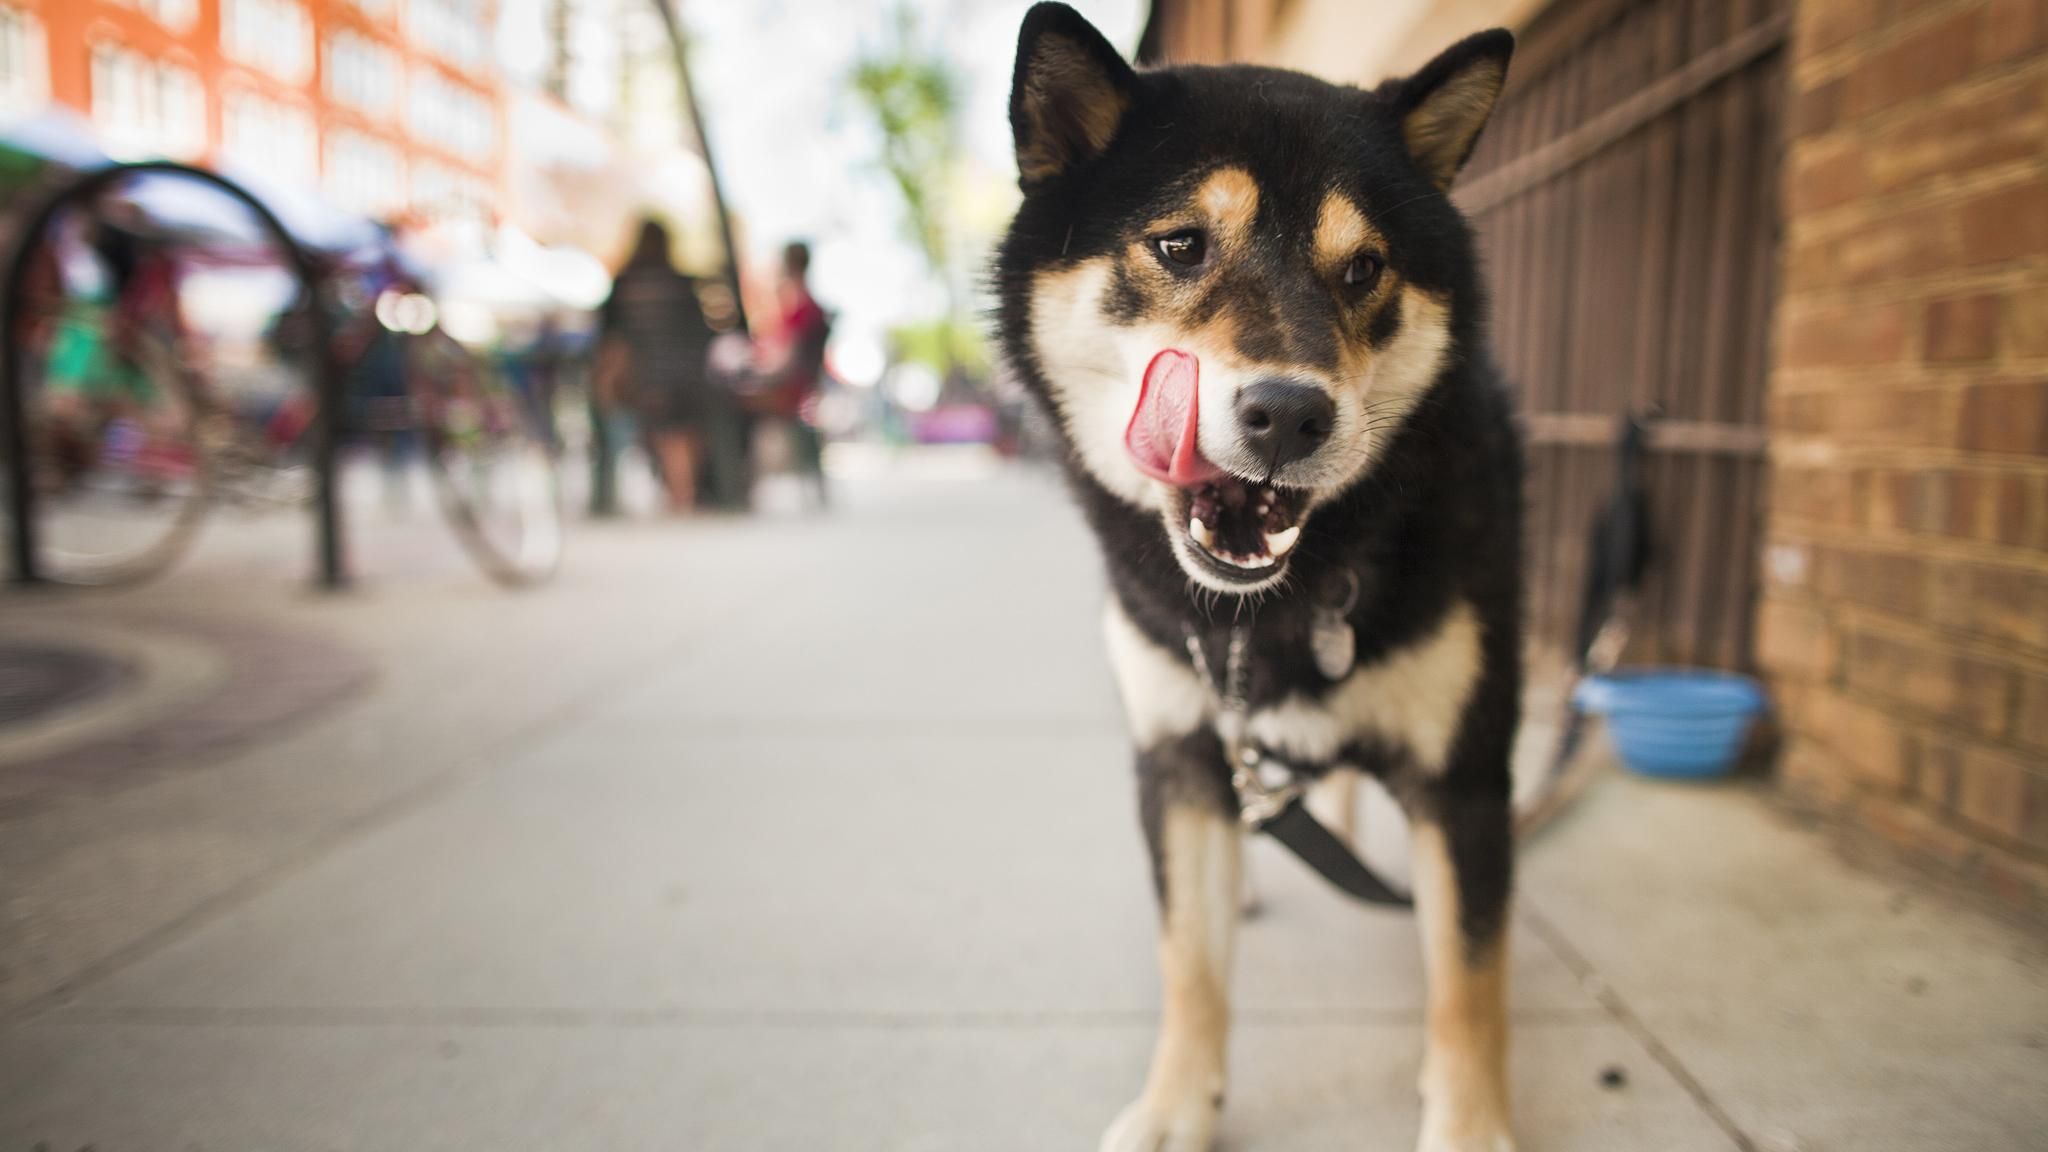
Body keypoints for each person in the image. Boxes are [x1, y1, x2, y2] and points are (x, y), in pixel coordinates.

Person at [593, 218, 714, 514]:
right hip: (686, 374)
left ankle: (679, 493)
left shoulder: (624, 283)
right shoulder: (682, 282)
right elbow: (702, 332)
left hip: (643, 374)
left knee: (664, 428)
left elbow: (606, 333)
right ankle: (683, 491)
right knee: (684, 429)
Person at [743, 240, 830, 506]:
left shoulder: (800, 307)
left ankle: (736, 486)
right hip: (801, 385)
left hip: (789, 389)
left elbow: (785, 357)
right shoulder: (807, 304)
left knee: (733, 405)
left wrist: (759, 366)